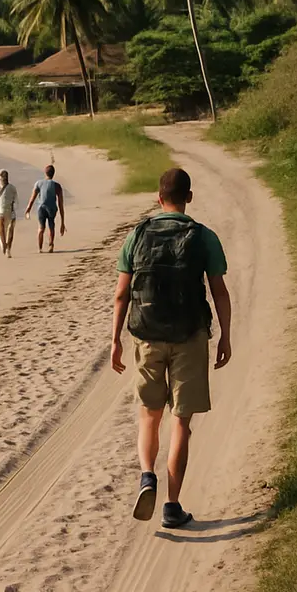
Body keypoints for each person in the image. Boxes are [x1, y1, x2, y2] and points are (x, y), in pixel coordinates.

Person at [110, 168, 231, 528]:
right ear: (188, 198)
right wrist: (225, 334)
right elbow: (219, 291)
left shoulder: (137, 235)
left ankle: (147, 475)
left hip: (146, 335)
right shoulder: (203, 236)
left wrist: (115, 339)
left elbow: (120, 293)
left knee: (149, 416)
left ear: (157, 196)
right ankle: (172, 506)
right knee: (181, 422)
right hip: (190, 336)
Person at [24, 164, 66, 253]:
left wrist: (28, 209)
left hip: (41, 208)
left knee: (41, 228)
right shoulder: (57, 186)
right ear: (53, 174)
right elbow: (60, 204)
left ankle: (40, 248)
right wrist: (62, 222)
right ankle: (51, 246)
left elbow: (32, 198)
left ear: (45, 173)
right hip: (52, 208)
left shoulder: (38, 183)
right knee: (51, 226)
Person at [0, 169, 19, 257]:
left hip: (1, 212)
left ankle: (3, 244)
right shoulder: (12, 187)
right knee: (10, 230)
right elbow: (16, 201)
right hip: (11, 212)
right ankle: (8, 249)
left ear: (0, 177)